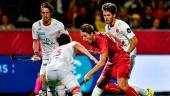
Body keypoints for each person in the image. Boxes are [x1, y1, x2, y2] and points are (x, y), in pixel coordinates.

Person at [101, 3, 154, 96]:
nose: (106, 18)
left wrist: (127, 53)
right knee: (122, 85)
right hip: (119, 57)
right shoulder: (106, 27)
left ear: (114, 15)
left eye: (108, 15)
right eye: (104, 15)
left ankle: (145, 93)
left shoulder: (122, 25)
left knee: (121, 85)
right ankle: (146, 93)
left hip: (128, 55)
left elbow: (135, 40)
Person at [80, 24, 139, 96]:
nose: (83, 39)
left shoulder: (100, 39)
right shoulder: (95, 37)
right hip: (111, 60)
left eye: (85, 36)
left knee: (122, 86)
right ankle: (135, 90)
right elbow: (107, 33)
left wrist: (89, 74)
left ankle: (136, 91)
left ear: (92, 33)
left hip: (122, 58)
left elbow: (102, 62)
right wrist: (118, 41)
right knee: (100, 84)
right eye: (82, 36)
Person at [31, 2, 69, 96]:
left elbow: (67, 39)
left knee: (59, 81)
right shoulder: (36, 26)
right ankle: (44, 93)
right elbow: (35, 41)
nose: (45, 15)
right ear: (41, 13)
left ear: (51, 13)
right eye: (43, 13)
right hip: (46, 55)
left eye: (47, 12)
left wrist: (68, 51)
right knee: (43, 76)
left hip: (58, 54)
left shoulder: (59, 25)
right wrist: (36, 53)